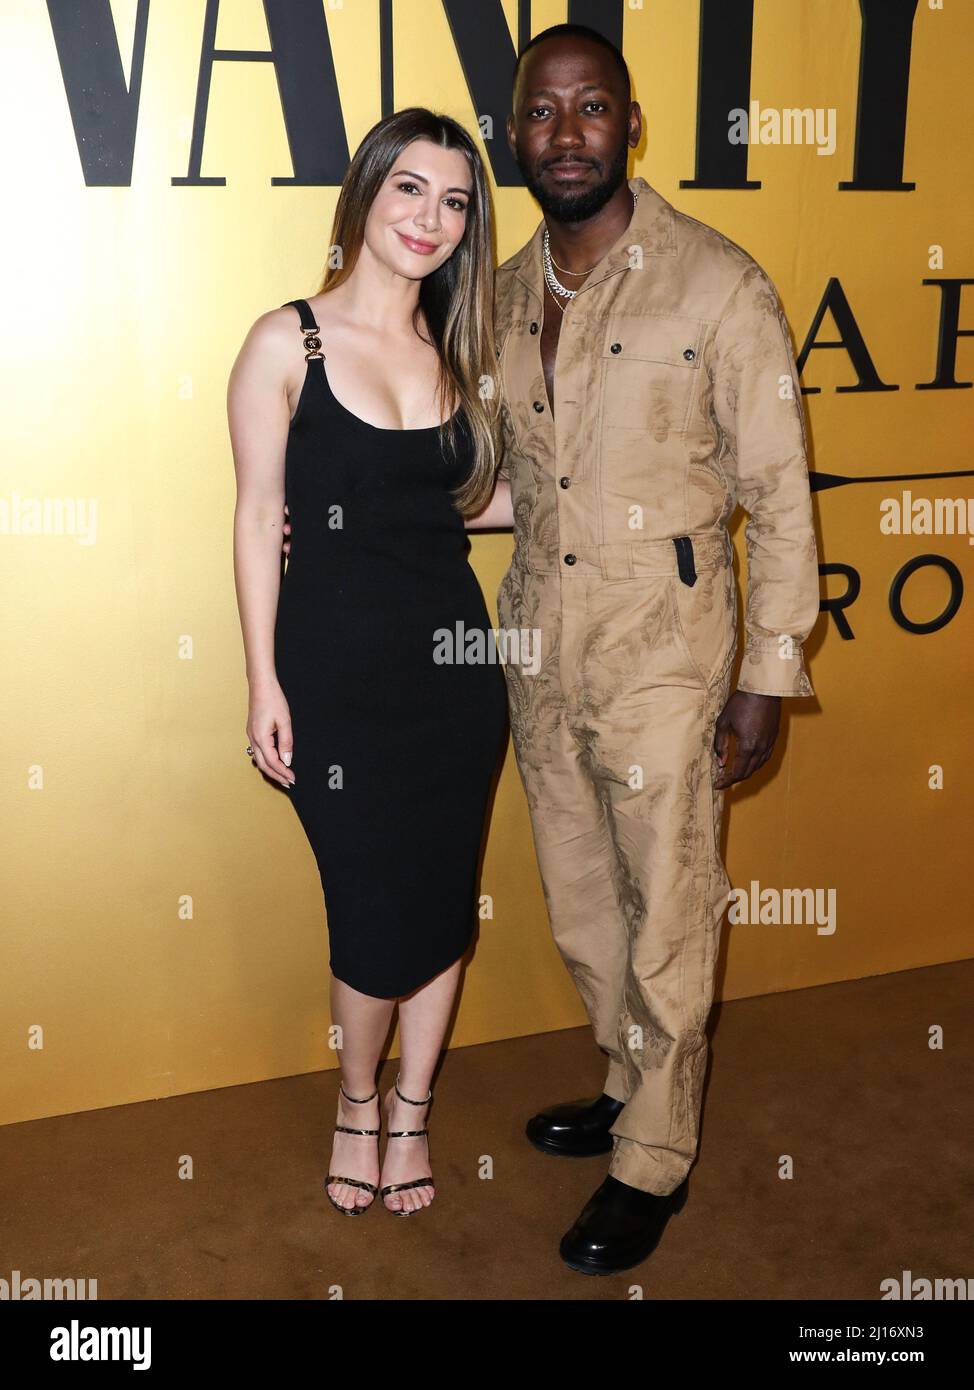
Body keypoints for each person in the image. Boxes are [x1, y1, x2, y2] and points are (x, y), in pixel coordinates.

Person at [491, 24, 820, 1274]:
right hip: (540, 642)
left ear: (630, 126)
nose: (564, 131)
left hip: (666, 653)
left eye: (589, 109)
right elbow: (522, 480)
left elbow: (778, 492)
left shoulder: (717, 284)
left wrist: (764, 673)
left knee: (670, 911)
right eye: (540, 112)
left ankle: (653, 1159)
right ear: (513, 135)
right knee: (585, 906)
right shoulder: (506, 289)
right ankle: (629, 1083)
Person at [228, 108, 510, 1218]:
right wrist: (262, 678)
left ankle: (413, 1108)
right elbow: (258, 517)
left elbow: (468, 504)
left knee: (442, 898)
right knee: (367, 904)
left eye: (453, 201)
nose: (429, 219)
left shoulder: (460, 351)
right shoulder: (282, 341)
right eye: (409, 190)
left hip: (452, 677)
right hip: (334, 677)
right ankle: (356, 1100)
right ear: (364, 196)